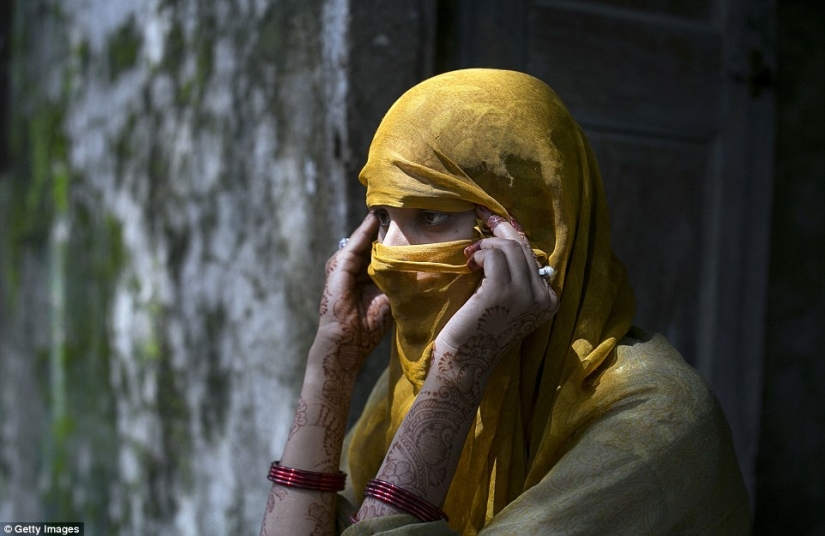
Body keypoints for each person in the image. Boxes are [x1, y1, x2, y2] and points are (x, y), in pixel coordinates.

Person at [259, 69, 751, 535]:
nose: (390, 257)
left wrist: (458, 375)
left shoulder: (655, 422)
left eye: (431, 216)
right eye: (382, 218)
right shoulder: (416, 383)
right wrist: (333, 359)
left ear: (533, 231)